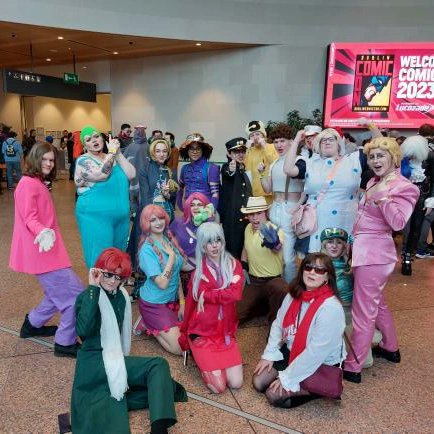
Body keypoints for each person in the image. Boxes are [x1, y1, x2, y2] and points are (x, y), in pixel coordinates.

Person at [71, 248, 187, 434]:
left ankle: (159, 428)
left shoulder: (121, 296)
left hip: (114, 358)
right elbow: (83, 331)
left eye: (118, 277)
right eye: (108, 274)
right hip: (93, 364)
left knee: (158, 366)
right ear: (98, 271)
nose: (112, 281)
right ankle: (151, 403)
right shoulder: (87, 297)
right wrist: (93, 288)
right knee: (161, 384)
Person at [343, 137, 419, 384]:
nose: (375, 160)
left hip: (375, 255)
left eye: (380, 156)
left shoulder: (404, 187)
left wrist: (384, 196)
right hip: (364, 251)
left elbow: (398, 223)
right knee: (378, 304)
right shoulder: (373, 181)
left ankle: (353, 365)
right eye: (372, 156)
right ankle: (390, 346)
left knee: (363, 311)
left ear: (393, 158)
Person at [9, 142, 84, 357]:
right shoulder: (28, 184)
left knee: (57, 291)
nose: (49, 164)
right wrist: (41, 231)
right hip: (43, 250)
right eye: (44, 159)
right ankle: (64, 342)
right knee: (74, 296)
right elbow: (29, 217)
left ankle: (33, 324)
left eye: (51, 160)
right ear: (35, 158)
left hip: (48, 249)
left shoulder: (35, 182)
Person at [252, 253, 345, 408]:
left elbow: (316, 352)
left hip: (319, 362)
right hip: (293, 350)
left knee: (273, 395)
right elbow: (278, 324)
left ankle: (317, 390)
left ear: (327, 277)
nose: (312, 272)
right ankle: (293, 378)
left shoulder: (331, 307)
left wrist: (287, 378)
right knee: (258, 381)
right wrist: (269, 355)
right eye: (308, 267)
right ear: (302, 271)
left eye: (319, 270)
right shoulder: (294, 295)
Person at [179, 222, 244, 394]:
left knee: (236, 383)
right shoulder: (198, 273)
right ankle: (196, 350)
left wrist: (208, 295)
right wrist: (184, 335)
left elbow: (235, 294)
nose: (215, 245)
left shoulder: (234, 265)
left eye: (218, 240)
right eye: (209, 242)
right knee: (218, 387)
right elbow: (191, 306)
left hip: (225, 335)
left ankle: (211, 363)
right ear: (202, 245)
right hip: (203, 333)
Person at [284, 127, 366, 252]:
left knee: (343, 258)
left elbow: (385, 150)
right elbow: (288, 169)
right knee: (318, 259)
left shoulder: (354, 160)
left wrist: (371, 126)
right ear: (318, 145)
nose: (327, 142)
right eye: (323, 140)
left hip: (345, 220)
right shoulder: (309, 164)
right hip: (318, 222)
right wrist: (296, 141)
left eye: (331, 139)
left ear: (338, 143)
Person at [75, 126, 136, 268]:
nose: (94, 141)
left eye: (96, 136)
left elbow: (131, 174)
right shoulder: (83, 161)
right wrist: (112, 153)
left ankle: (114, 282)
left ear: (102, 138)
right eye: (88, 140)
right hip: (96, 218)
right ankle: (97, 283)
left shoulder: (113, 157)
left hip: (121, 218)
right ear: (84, 145)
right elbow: (101, 174)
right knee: (100, 258)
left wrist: (118, 153)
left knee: (118, 258)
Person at [320, 227, 376, 368]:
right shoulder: (317, 265)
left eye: (339, 242)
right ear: (324, 245)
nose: (334, 246)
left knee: (363, 360)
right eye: (330, 242)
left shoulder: (351, 265)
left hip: (348, 311)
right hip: (325, 312)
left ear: (344, 246)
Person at [259, 124, 305, 282]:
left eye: (282, 141)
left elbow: (308, 188)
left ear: (291, 142)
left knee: (288, 258)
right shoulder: (274, 164)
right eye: (276, 142)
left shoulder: (299, 161)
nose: (278, 145)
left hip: (289, 210)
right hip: (275, 209)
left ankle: (290, 290)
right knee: (275, 253)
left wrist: (297, 207)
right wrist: (261, 174)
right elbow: (268, 189)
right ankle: (278, 288)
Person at [137, 205, 184, 355]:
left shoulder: (167, 239)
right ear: (146, 223)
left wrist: (182, 302)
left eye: (161, 218)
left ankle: (158, 323)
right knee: (179, 348)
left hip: (172, 301)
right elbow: (163, 284)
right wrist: (171, 257)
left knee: (191, 334)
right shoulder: (146, 250)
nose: (159, 223)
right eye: (153, 220)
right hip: (153, 304)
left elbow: (176, 274)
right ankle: (147, 324)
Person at [237, 196, 288, 325]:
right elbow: (245, 248)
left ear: (266, 213)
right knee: (236, 315)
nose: (255, 218)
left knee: (282, 292)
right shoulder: (247, 228)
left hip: (273, 281)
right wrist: (243, 267)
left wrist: (274, 243)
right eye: (251, 214)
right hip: (254, 282)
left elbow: (277, 248)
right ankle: (263, 306)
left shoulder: (275, 230)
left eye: (259, 213)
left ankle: (271, 314)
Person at [170, 192, 215, 293]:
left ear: (206, 207)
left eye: (200, 205)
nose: (196, 208)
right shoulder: (178, 222)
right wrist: (178, 249)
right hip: (178, 277)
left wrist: (209, 220)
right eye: (192, 205)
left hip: (201, 276)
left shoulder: (210, 226)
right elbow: (167, 235)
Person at [400, 135, 431, 273]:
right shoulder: (402, 161)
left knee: (417, 227)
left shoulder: (429, 159)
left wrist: (431, 201)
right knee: (403, 225)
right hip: (403, 196)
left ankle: (408, 255)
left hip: (422, 197)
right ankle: (404, 252)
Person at [218, 137, 252, 259]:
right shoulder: (227, 166)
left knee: (244, 249)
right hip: (232, 218)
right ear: (229, 154)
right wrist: (231, 169)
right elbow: (228, 172)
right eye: (236, 152)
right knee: (232, 251)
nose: (240, 154)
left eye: (243, 151)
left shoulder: (243, 169)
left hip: (245, 218)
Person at [177, 133, 220, 211]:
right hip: (189, 211)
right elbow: (180, 189)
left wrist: (210, 212)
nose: (195, 151)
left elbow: (215, 194)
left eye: (198, 148)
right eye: (191, 148)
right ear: (187, 150)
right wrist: (181, 207)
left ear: (203, 150)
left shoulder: (212, 168)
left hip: (205, 211)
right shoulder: (185, 168)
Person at [244, 120, 278, 204]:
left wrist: (264, 146)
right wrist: (246, 149)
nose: (255, 137)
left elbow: (276, 163)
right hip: (254, 194)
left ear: (263, 135)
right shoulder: (249, 151)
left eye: (257, 134)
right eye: (252, 135)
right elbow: (244, 167)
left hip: (271, 192)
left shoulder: (272, 147)